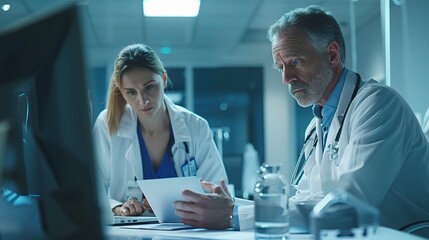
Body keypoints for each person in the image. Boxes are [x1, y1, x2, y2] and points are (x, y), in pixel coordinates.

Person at [173, 5, 429, 234]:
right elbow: (306, 199)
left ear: (332, 54)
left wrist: (233, 215)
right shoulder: (317, 125)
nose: (286, 78)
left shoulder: (378, 105)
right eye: (280, 67)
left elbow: (345, 208)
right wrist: (228, 206)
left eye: (295, 61)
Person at [92, 43, 228, 216]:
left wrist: (178, 202)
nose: (143, 101)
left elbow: (217, 193)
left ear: (163, 79)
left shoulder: (196, 126)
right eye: (131, 92)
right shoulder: (108, 125)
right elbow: (90, 191)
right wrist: (117, 208)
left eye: (149, 87)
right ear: (121, 92)